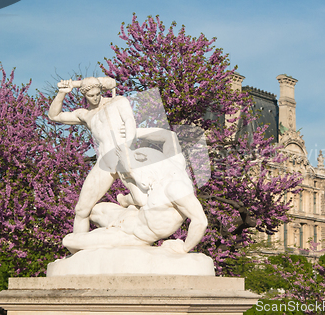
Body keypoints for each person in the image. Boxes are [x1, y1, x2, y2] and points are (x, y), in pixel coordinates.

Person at [62, 127, 208, 254]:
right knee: (92, 211)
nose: (134, 181)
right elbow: (169, 136)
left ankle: (85, 263)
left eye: (132, 177)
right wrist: (132, 133)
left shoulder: (176, 188)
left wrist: (184, 248)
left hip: (132, 235)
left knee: (69, 240)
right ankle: (123, 202)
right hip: (129, 215)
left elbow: (200, 221)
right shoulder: (174, 162)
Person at [48, 77, 141, 234]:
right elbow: (54, 116)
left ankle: (124, 200)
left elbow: (129, 121)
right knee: (82, 210)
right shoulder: (85, 115)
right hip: (105, 162)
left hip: (124, 155)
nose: (96, 97)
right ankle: (78, 251)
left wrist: (127, 147)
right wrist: (62, 93)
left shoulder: (117, 101)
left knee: (142, 200)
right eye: (91, 95)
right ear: (85, 96)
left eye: (98, 93)